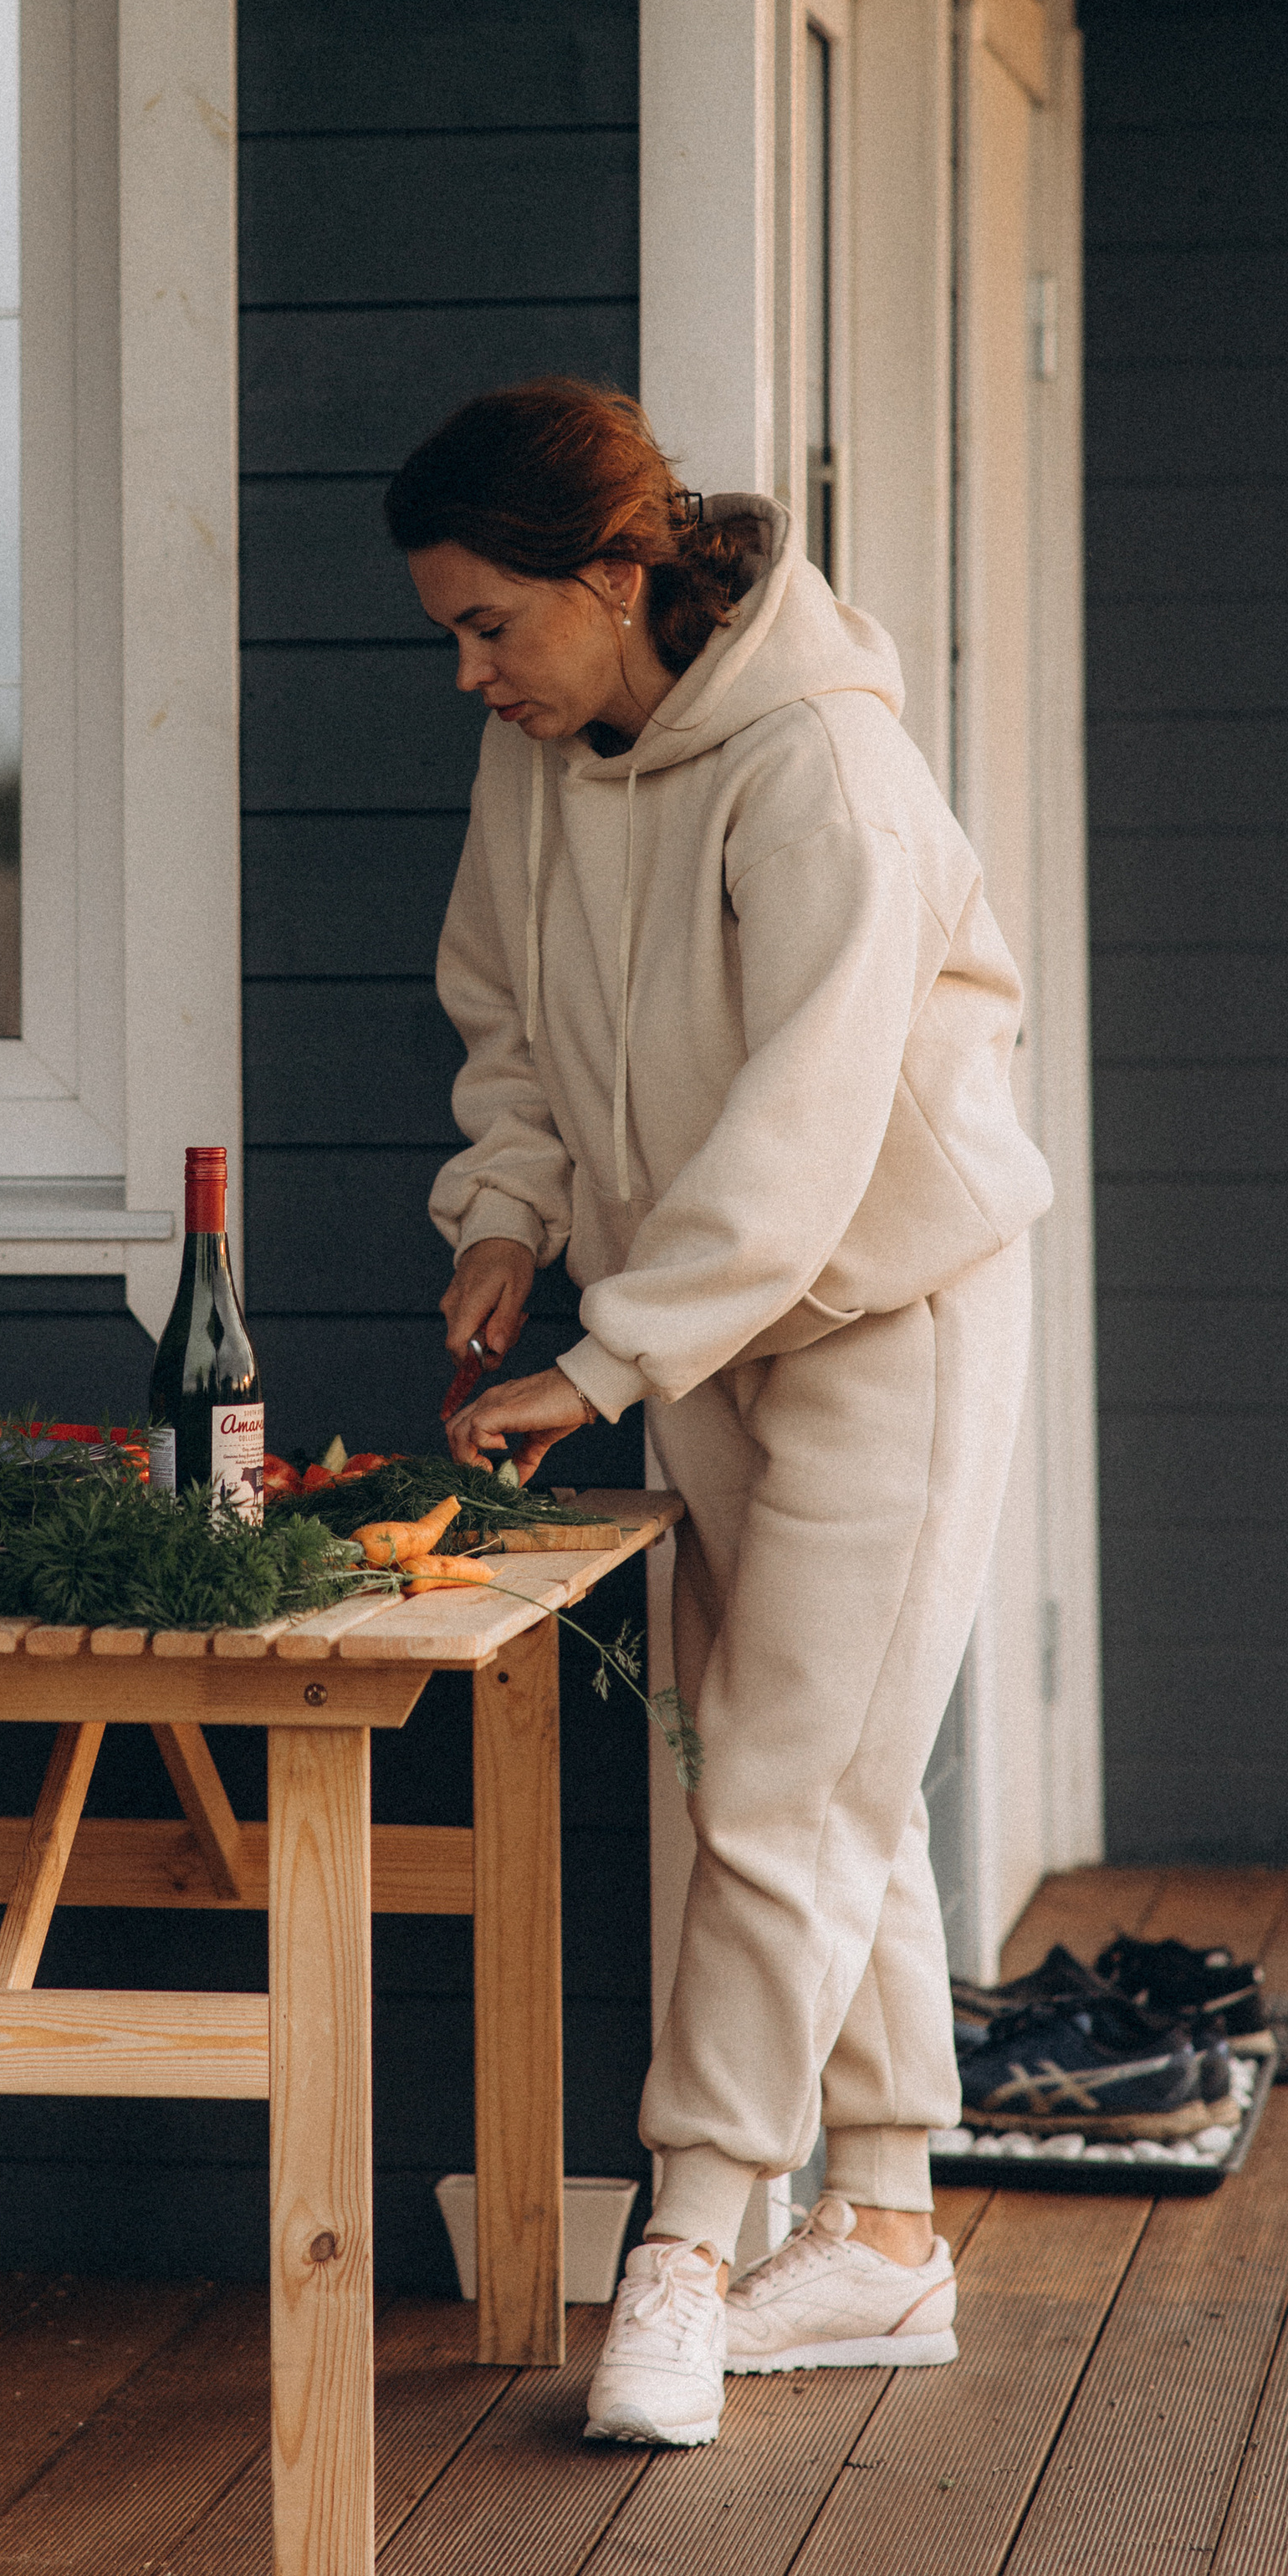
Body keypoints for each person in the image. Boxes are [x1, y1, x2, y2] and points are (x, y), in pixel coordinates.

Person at [386, 379, 1051, 2450]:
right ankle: (880, 2228)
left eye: (490, 624)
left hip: (881, 1305)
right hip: (700, 1323)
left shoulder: (820, 765)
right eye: (449, 635)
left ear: (614, 576)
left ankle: (679, 2240)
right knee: (817, 1767)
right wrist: (509, 1216)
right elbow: (507, 1017)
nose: (470, 673)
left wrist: (602, 1358)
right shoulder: (543, 754)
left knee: (775, 1783)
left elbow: (807, 1123)